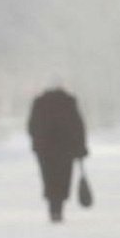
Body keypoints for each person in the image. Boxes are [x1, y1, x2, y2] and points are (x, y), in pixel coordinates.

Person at [27, 85, 88, 222]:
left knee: (49, 178)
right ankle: (59, 208)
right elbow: (78, 127)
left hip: (45, 150)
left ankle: (53, 207)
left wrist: (37, 142)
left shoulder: (40, 103)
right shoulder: (68, 103)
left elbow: (32, 126)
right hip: (65, 149)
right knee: (63, 178)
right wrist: (80, 148)